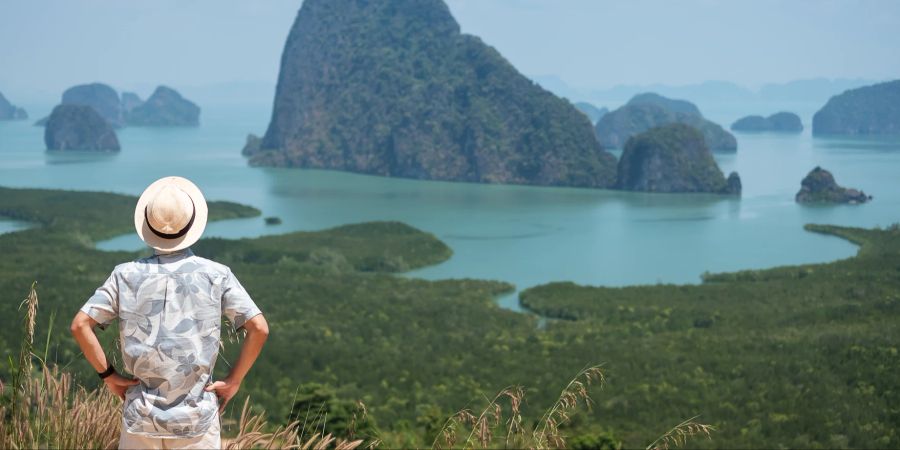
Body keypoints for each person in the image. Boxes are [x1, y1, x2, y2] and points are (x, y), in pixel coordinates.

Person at [70, 176, 269, 449]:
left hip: (139, 420)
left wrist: (109, 377)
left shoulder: (124, 275)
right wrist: (234, 381)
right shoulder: (217, 275)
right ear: (192, 225)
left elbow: (80, 325)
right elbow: (259, 328)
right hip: (197, 421)